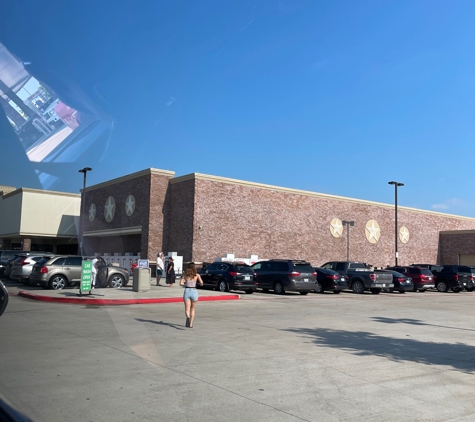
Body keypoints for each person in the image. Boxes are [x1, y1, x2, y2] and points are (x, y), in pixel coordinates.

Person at [179, 263, 204, 328]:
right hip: (194, 291)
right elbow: (201, 283)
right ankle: (191, 324)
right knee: (192, 309)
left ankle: (187, 317)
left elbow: (181, 283)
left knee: (187, 309)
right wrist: (199, 283)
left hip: (187, 291)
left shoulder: (185, 274)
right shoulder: (197, 275)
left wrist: (185, 283)